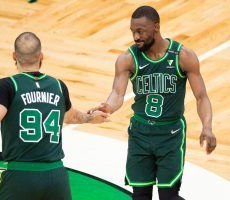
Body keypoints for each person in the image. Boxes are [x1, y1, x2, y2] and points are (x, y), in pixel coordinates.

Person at [0, 32, 109, 200]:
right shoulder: (58, 86)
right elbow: (71, 116)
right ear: (41, 56)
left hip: (21, 177)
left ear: (14, 56)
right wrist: (91, 117)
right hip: (56, 177)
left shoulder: (7, 86)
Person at [88, 6, 217, 200]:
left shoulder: (183, 56)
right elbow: (117, 93)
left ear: (156, 27)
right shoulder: (127, 59)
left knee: (168, 196)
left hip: (170, 134)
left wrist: (207, 126)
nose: (136, 36)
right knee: (140, 196)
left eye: (141, 31)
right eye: (133, 31)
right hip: (140, 133)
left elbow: (202, 97)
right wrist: (107, 107)